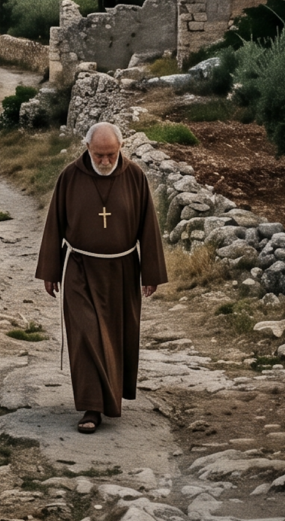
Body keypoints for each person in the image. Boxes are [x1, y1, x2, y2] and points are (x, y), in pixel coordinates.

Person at [35, 121, 168, 434]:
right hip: (80, 268)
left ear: (120, 148)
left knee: (115, 337)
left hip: (122, 270)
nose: (106, 161)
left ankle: (109, 400)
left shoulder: (135, 176)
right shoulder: (70, 177)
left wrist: (150, 272)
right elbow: (54, 224)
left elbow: (148, 226)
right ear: (87, 148)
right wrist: (51, 270)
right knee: (86, 335)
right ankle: (92, 408)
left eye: (111, 154)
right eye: (99, 155)